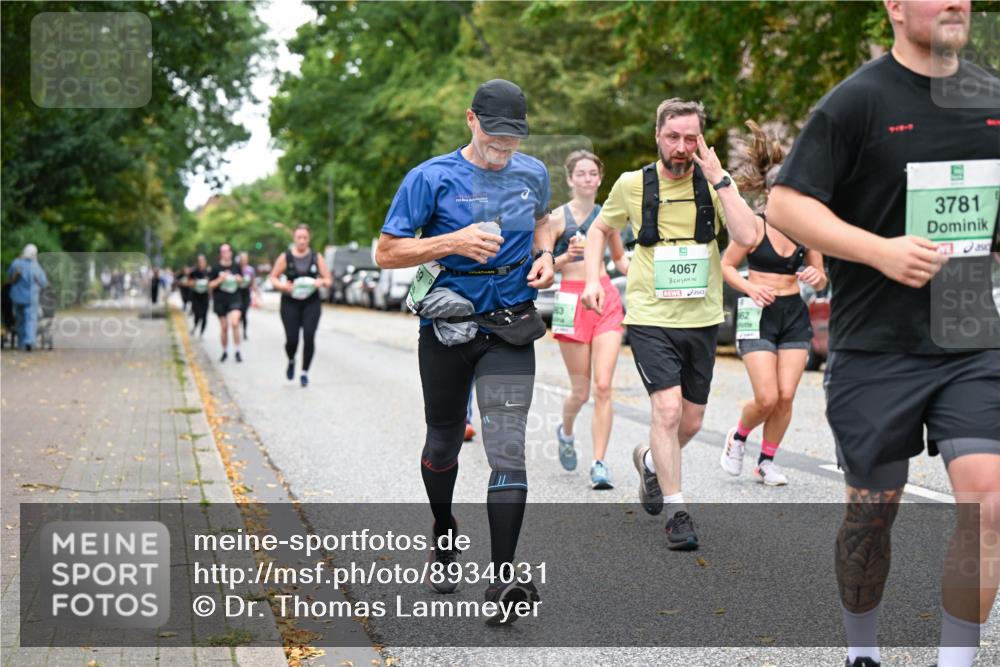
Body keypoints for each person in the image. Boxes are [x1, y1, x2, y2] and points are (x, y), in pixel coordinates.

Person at [766, 2, 999, 666]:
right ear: (895, 6)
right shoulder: (859, 102)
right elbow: (786, 203)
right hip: (876, 342)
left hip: (969, 335)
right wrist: (879, 251)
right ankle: (860, 649)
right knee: (872, 516)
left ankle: (956, 659)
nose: (957, 2)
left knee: (988, 501)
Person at [376, 79, 553, 621]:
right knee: (443, 442)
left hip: (510, 325)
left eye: (513, 141)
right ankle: (444, 526)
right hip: (449, 330)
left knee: (507, 446)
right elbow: (386, 252)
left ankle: (502, 583)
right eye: (496, 139)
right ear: (470, 120)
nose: (504, 152)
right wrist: (452, 241)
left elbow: (543, 222)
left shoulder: (533, 173)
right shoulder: (429, 177)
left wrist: (545, 256)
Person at [581, 98, 757, 550]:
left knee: (691, 422)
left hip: (701, 318)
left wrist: (722, 179)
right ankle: (678, 512)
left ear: (701, 139)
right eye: (673, 137)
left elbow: (749, 236)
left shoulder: (716, 184)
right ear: (658, 136)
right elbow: (600, 229)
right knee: (668, 410)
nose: (681, 147)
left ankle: (651, 462)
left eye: (690, 138)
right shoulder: (631, 184)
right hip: (649, 316)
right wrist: (592, 278)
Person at [718, 121, 828, 486]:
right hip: (757, 313)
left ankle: (766, 461)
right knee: (765, 397)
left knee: (785, 395)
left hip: (793, 314)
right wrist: (749, 289)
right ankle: (738, 436)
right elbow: (727, 266)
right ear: (768, 194)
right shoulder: (753, 226)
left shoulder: (807, 230)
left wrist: (816, 277)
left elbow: (820, 274)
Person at [550, 149, 629, 489]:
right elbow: (538, 267)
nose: (586, 178)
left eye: (592, 173)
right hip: (571, 299)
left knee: (603, 386)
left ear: (600, 179)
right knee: (580, 392)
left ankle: (599, 462)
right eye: (580, 173)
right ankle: (566, 432)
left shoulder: (606, 216)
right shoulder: (555, 219)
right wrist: (564, 256)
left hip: (605, 299)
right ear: (570, 179)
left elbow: (620, 261)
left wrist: (648, 274)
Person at [268, 225, 332, 387]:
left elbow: (328, 280)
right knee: (292, 340)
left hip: (311, 302)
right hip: (290, 302)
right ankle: (291, 360)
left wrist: (321, 282)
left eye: (305, 237)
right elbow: (273, 277)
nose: (302, 241)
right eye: (299, 237)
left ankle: (304, 372)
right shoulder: (286, 257)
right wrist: (283, 286)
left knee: (309, 336)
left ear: (309, 238)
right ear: (294, 238)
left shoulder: (316, 257)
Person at [5, 244, 49, 351]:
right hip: (31, 298)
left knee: (19, 319)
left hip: (16, 296)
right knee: (30, 319)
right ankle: (29, 341)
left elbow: (9, 276)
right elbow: (43, 282)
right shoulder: (35, 266)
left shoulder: (16, 263)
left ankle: (21, 343)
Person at [208, 243, 243, 362]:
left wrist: (239, 279)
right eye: (223, 251)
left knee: (235, 323)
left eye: (227, 251)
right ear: (220, 254)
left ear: (231, 252)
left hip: (234, 298)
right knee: (224, 327)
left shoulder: (236, 266)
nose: (226, 253)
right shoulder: (215, 268)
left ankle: (237, 350)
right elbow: (210, 285)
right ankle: (224, 351)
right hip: (220, 300)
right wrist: (220, 279)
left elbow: (241, 280)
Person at [236, 252, 258, 341]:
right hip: (237, 293)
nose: (244, 260)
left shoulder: (250, 270)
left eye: (245, 259)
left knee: (244, 313)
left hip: (246, 293)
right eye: (242, 259)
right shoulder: (236, 269)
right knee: (238, 313)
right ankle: (237, 329)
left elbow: (253, 281)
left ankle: (244, 331)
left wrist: (256, 292)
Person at [186, 255, 210, 337]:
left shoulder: (208, 272)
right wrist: (194, 283)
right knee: (197, 314)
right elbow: (188, 283)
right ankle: (195, 326)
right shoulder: (193, 272)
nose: (201, 263)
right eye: (199, 261)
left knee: (204, 315)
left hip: (205, 295)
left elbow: (212, 284)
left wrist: (208, 283)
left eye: (202, 261)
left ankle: (201, 333)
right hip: (196, 295)